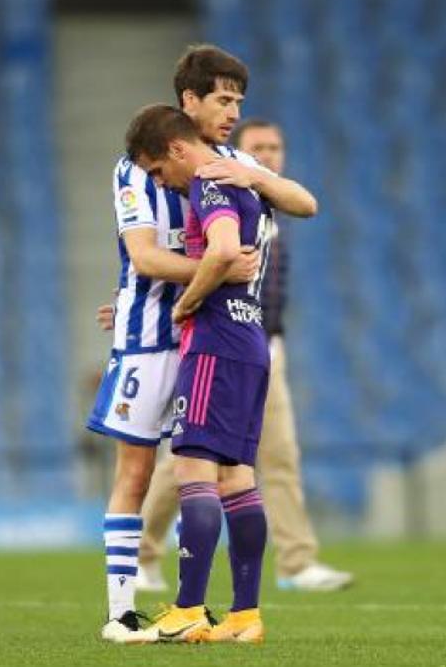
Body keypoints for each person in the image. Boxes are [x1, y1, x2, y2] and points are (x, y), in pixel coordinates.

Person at [88, 46, 317, 644]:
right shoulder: (136, 166)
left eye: (238, 100)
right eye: (223, 99)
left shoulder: (231, 166)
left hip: (207, 336)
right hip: (152, 337)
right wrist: (207, 274)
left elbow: (304, 202)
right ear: (187, 102)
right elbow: (143, 255)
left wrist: (256, 176)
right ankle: (123, 614)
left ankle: (206, 608)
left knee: (216, 472)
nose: (234, 112)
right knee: (140, 473)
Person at [135, 119, 353, 593]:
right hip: (222, 338)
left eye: (276, 147)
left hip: (259, 339)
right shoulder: (221, 190)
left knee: (270, 459)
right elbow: (205, 254)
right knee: (191, 463)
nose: (269, 155)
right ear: (240, 151)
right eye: (259, 148)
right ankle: (146, 554)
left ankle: (293, 564)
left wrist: (257, 178)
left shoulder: (262, 194)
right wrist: (175, 302)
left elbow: (308, 204)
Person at [125, 105, 277, 644]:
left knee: (193, 468)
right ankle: (244, 616)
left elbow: (220, 250)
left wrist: (185, 303)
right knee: (236, 475)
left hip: (215, 343)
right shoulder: (244, 183)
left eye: (158, 171)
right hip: (251, 338)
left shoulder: (209, 184)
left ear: (174, 150)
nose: (161, 182)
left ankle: (189, 607)